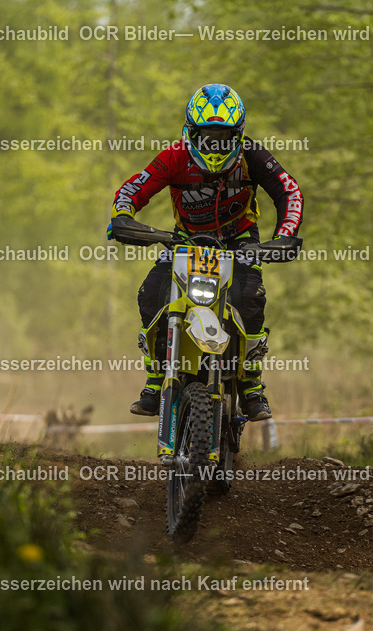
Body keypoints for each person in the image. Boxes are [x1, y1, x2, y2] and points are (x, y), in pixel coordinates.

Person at [108, 83, 304, 421]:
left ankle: (251, 384)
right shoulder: (174, 157)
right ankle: (155, 377)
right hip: (186, 240)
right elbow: (134, 187)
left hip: (240, 239)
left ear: (238, 134)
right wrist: (123, 216)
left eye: (224, 137)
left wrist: (284, 236)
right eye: (208, 137)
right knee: (151, 292)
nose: (215, 144)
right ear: (191, 132)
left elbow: (289, 191)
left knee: (250, 297)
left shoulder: (252, 156)